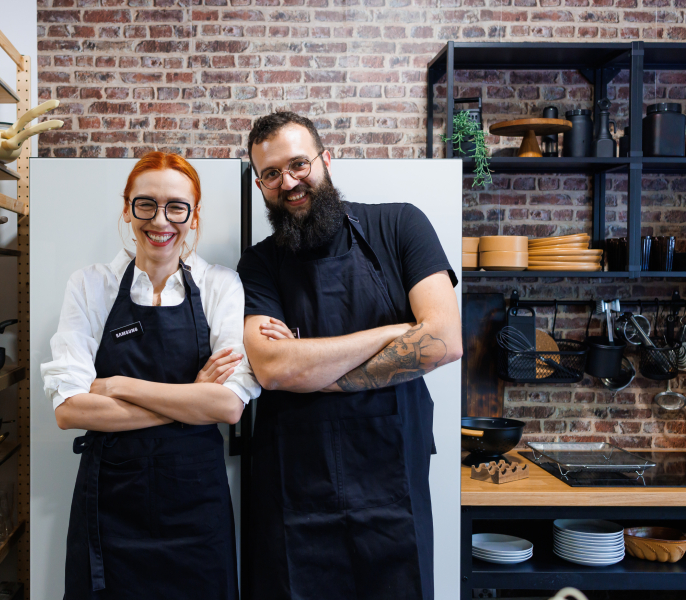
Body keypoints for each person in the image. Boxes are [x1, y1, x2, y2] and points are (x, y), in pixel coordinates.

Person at [237, 112, 462, 600]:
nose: (288, 183)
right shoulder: (258, 264)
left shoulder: (400, 225)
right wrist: (395, 333)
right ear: (260, 185)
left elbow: (444, 340)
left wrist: (317, 371)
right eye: (271, 174)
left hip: (392, 488)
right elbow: (274, 368)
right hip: (295, 492)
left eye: (298, 164)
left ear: (326, 159)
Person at [42, 151, 260, 600]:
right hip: (111, 506)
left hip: (197, 511)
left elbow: (227, 406)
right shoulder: (90, 285)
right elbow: (70, 410)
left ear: (194, 216)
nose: (160, 221)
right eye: (146, 204)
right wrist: (191, 398)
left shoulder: (220, 285)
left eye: (176, 207)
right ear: (127, 209)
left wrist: (120, 386)